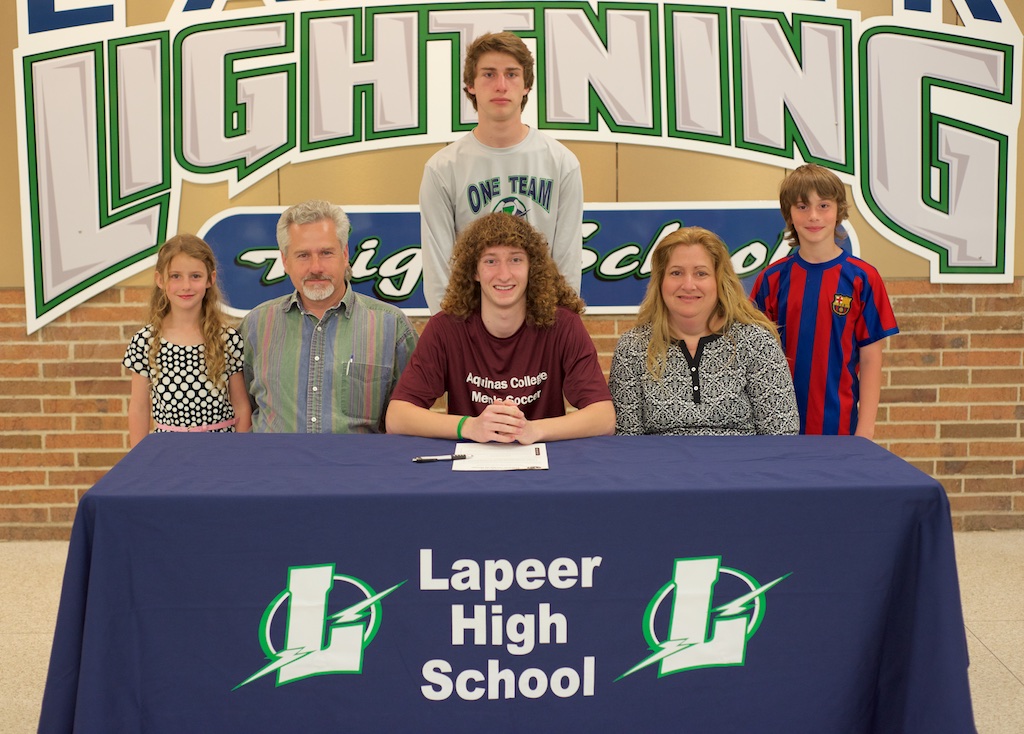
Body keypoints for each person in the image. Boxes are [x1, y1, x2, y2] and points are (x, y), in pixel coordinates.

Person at [386, 212, 614, 444]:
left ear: (531, 268)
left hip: (544, 468)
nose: (504, 275)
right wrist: (470, 426)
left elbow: (603, 417)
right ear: (474, 271)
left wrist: (534, 430)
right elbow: (397, 417)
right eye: (490, 261)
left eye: (515, 259)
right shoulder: (445, 328)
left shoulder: (563, 325)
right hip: (466, 467)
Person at [419, 31, 584, 314]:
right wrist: (454, 334)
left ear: (526, 86)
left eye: (511, 74)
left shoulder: (561, 162)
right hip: (469, 326)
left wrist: (555, 329)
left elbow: (567, 261)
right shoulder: (442, 168)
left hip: (540, 323)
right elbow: (438, 269)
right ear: (470, 85)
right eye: (488, 74)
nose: (500, 85)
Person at [239, 200, 418, 433]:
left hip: (358, 468)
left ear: (344, 255)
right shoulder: (256, 325)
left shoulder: (391, 326)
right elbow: (242, 407)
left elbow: (409, 414)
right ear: (285, 261)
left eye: (326, 253)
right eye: (302, 255)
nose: (316, 267)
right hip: (274, 467)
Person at [752, 164, 899, 438]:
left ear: (838, 211)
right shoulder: (771, 280)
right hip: (778, 429)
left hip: (840, 429)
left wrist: (865, 432)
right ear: (789, 214)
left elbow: (870, 360)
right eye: (802, 206)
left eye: (823, 206)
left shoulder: (863, 278)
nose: (813, 216)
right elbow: (756, 360)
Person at [609, 227, 798, 436]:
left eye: (701, 273)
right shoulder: (633, 348)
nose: (688, 285)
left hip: (742, 468)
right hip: (660, 468)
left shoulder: (757, 343)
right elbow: (626, 441)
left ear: (719, 280)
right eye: (676, 273)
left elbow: (782, 436)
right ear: (660, 281)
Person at [124, 234, 252, 447]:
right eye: (175, 276)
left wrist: (238, 455)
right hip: (167, 452)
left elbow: (241, 406)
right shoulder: (145, 341)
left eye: (195, 276)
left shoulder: (227, 340)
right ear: (160, 280)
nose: (186, 286)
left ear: (210, 279)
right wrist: (140, 463)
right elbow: (138, 408)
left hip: (220, 450)